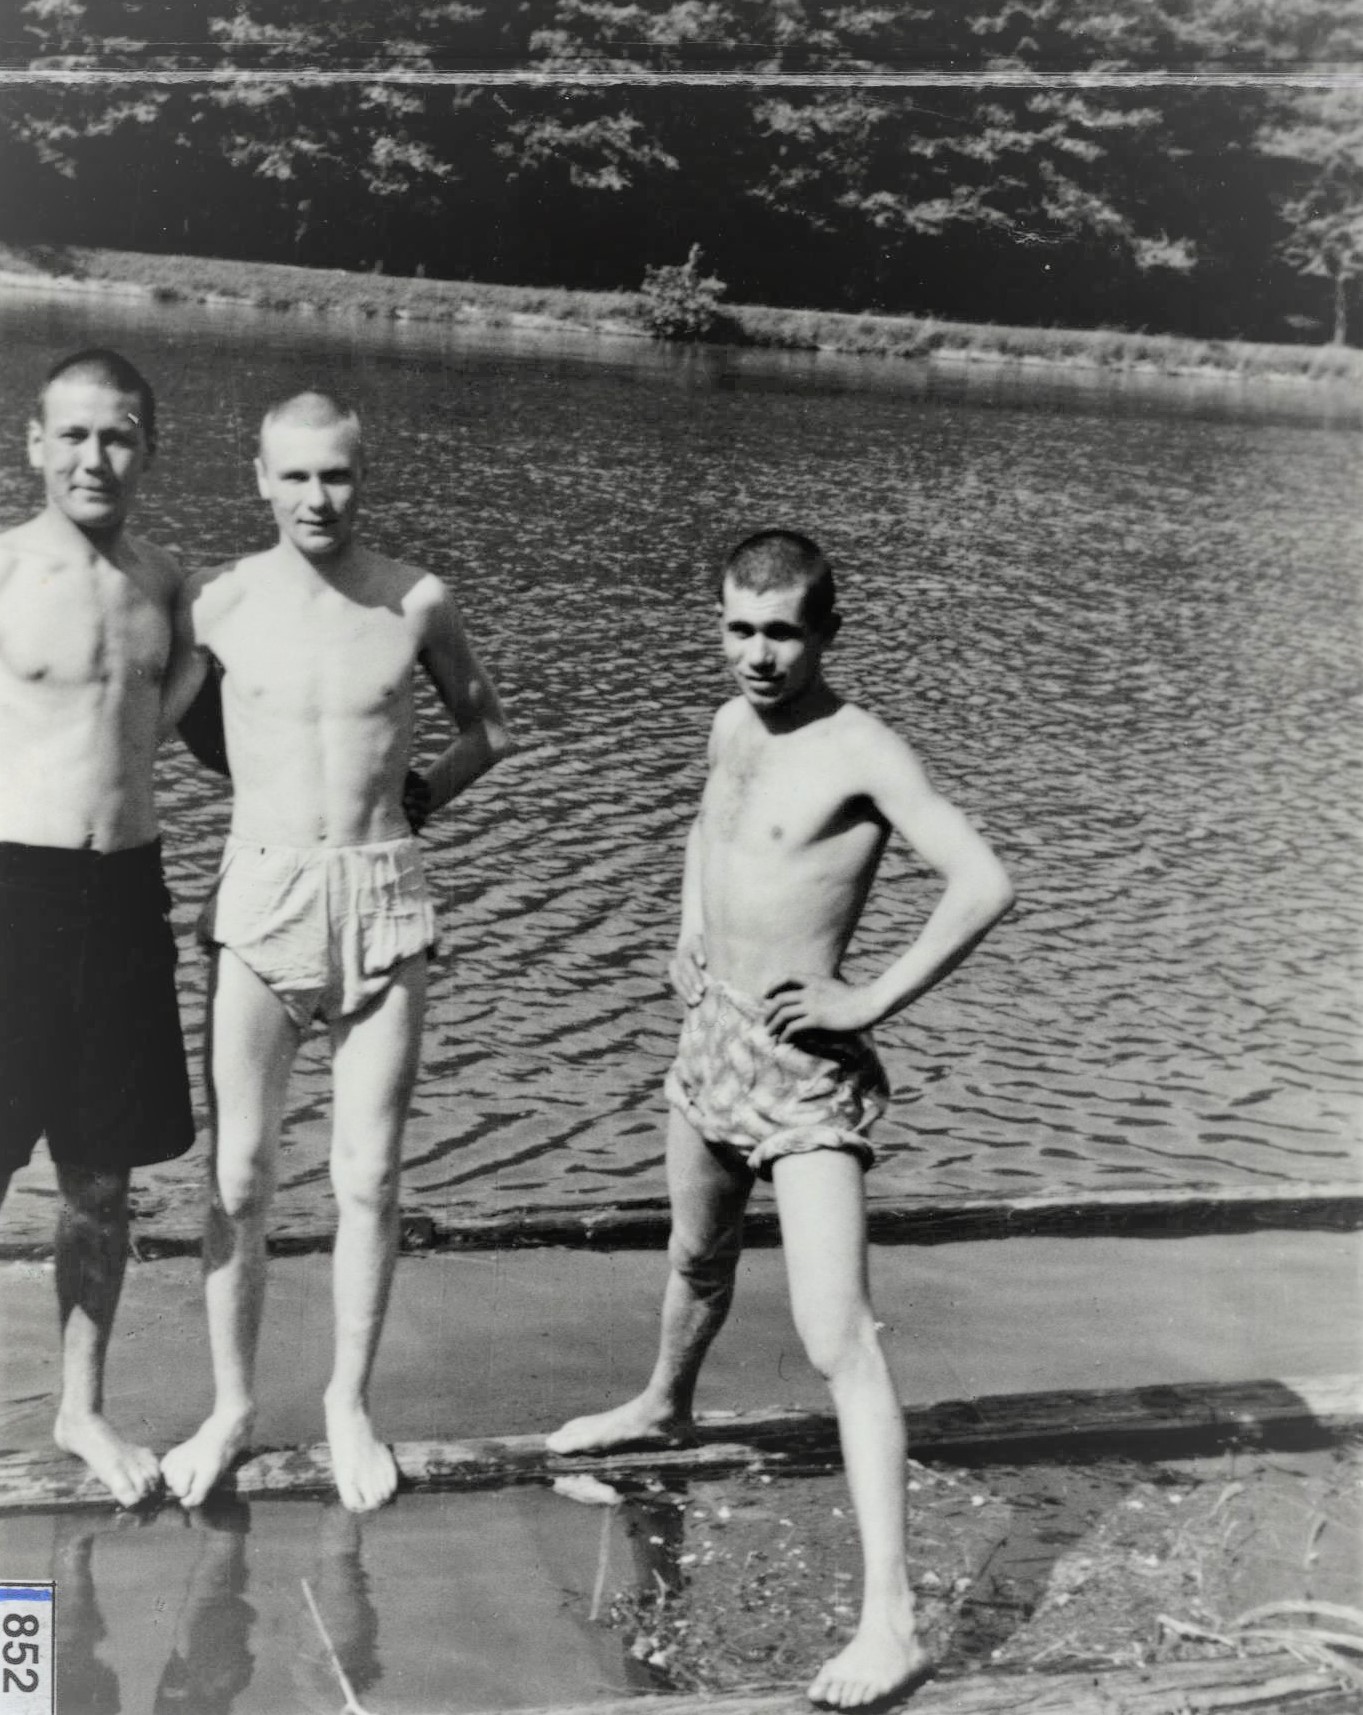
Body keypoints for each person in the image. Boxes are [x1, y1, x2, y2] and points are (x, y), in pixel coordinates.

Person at [548, 529, 1013, 1708]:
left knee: (835, 1333)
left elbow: (983, 882)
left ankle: (891, 1621)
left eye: (784, 632)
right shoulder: (729, 723)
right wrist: (686, 930)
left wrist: (867, 998)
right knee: (695, 1258)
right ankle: (663, 1405)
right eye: (739, 629)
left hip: (806, 1072)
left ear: (827, 631)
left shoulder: (862, 749)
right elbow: (710, 828)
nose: (759, 654)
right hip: (713, 1044)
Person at [159, 391, 510, 1513]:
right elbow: (165, 721)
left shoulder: (415, 598)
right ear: (260, 478)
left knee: (368, 1176)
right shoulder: (214, 600)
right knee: (239, 1173)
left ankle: (347, 1402)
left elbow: (486, 728)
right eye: (296, 475)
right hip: (262, 892)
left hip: (383, 894)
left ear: (363, 476)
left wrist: (419, 798)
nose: (317, 497)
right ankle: (230, 1405)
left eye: (337, 475)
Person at [0, 348, 196, 1508]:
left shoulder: (167, 580)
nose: (93, 457)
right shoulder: (1, 567)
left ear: (148, 448)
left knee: (100, 1180)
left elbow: (201, 703)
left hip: (123, 893)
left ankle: (80, 1406)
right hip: (9, 889)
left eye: (117, 435)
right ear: (33, 442)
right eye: (71, 434)